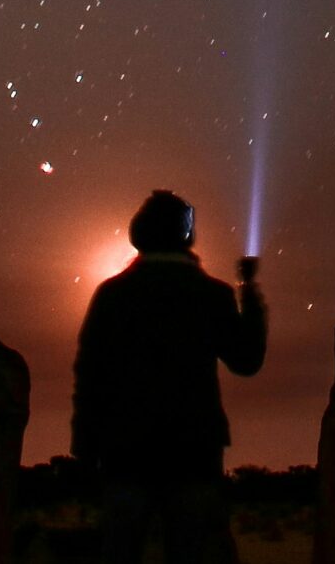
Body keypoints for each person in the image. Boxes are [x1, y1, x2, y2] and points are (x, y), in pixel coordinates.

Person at [71, 189, 267, 564]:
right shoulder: (211, 295)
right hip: (193, 450)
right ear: (187, 235)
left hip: (124, 449)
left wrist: (85, 446)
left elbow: (90, 375)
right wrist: (250, 294)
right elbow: (247, 360)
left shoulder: (113, 295)